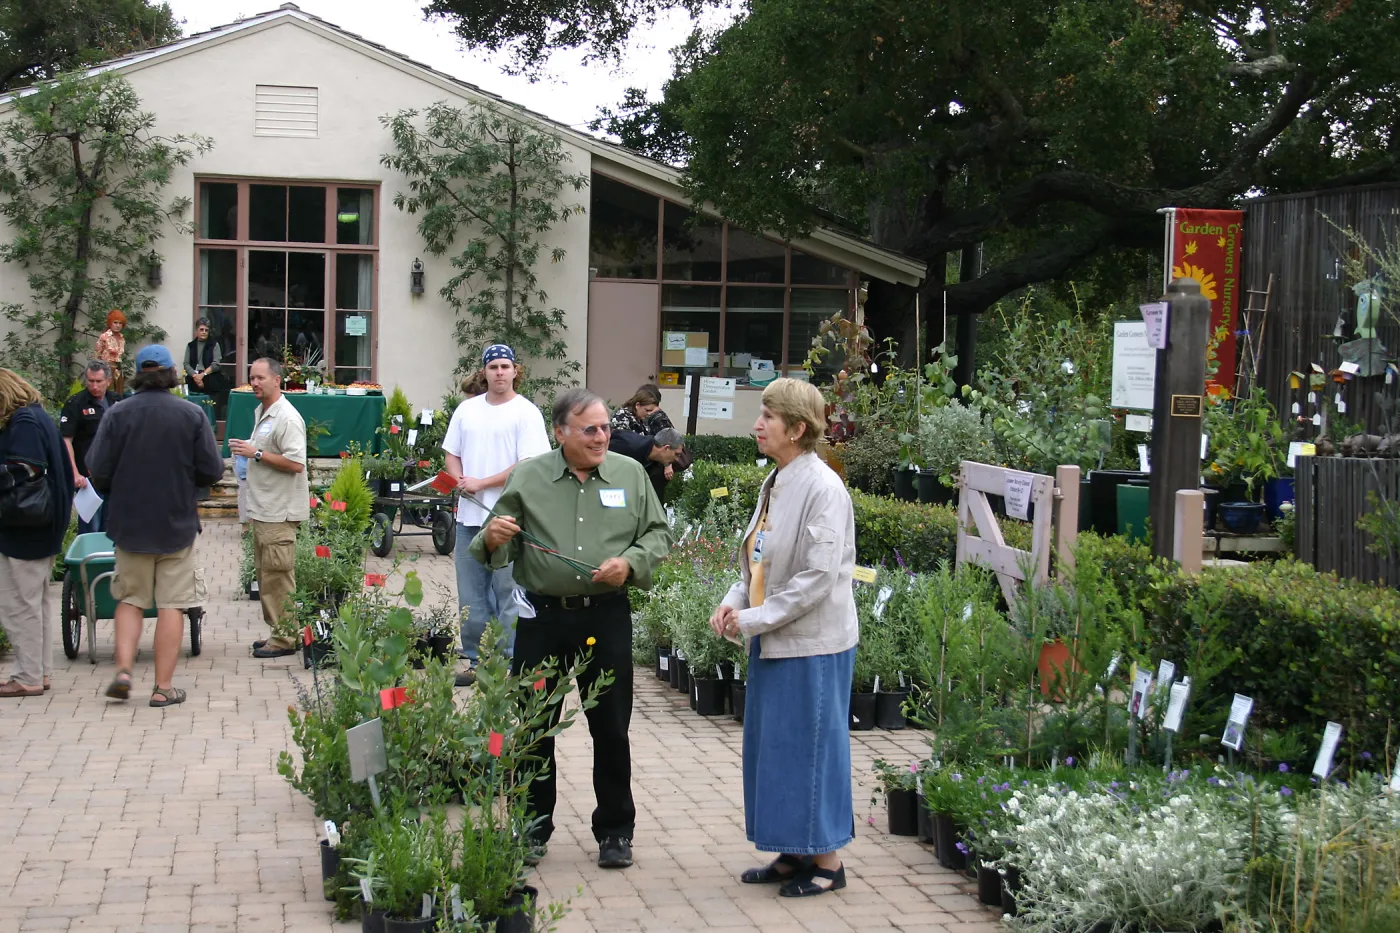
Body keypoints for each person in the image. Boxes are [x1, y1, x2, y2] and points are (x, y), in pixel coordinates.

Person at [470, 388, 670, 869]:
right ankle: (533, 828)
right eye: (591, 429)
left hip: (605, 617)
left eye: (605, 428)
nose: (603, 436)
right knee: (536, 726)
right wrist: (493, 538)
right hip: (543, 620)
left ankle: (616, 830)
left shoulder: (630, 475)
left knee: (610, 726)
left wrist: (630, 561)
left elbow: (658, 534)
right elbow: (493, 542)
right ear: (561, 432)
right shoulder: (529, 477)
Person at [707, 378, 858, 898]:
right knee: (776, 750)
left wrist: (752, 619)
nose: (756, 425)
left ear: (797, 429)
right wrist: (733, 600)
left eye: (767, 417)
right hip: (775, 639)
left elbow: (816, 581)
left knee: (811, 750)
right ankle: (794, 853)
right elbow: (758, 559)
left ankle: (829, 863)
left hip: (812, 645)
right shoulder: (777, 480)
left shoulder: (823, 488)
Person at [85, 345, 223, 708]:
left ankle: (125, 672)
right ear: (171, 373)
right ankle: (163, 688)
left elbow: (97, 468)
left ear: (137, 373)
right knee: (172, 606)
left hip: (130, 523)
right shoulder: (191, 414)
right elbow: (212, 470)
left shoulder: (117, 414)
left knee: (129, 600)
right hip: (176, 523)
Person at [442, 344, 550, 686]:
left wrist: (482, 482)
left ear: (516, 370)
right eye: (493, 367)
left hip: (510, 519)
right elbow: (451, 452)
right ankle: (476, 659)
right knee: (471, 594)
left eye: (505, 366)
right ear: (484, 372)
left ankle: (507, 661)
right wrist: (459, 479)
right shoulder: (467, 411)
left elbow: (529, 464)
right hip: (468, 519)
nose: (499, 372)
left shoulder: (526, 413)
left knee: (508, 594)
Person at [0, 369, 73, 697]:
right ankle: (38, 672)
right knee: (35, 601)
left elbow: (24, 468)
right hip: (42, 524)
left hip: (24, 527)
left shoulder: (23, 423)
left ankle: (28, 675)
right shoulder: (38, 417)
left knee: (17, 602)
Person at [230, 357, 309, 659]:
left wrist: (257, 453)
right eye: (252, 377)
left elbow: (296, 463)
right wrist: (249, 452)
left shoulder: (287, 417)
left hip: (279, 511)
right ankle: (278, 632)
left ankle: (286, 638)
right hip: (264, 509)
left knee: (278, 576)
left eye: (261, 377)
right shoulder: (264, 412)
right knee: (266, 577)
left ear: (278, 380)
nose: (255, 383)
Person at [59, 360, 122, 533]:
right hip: (87, 480)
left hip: (112, 476)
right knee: (90, 529)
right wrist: (75, 473)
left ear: (108, 381)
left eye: (98, 381)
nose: (94, 386)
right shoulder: (76, 403)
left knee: (111, 529)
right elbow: (66, 441)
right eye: (90, 381)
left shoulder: (116, 401)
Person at [609, 425, 685, 503]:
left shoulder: (657, 462)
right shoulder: (630, 446)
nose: (677, 459)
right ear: (666, 448)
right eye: (676, 454)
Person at [184, 317, 230, 418]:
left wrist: (202, 375)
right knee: (193, 412)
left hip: (211, 382)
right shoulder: (190, 346)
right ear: (196, 331)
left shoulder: (214, 345)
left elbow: (216, 364)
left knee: (209, 412)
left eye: (206, 330)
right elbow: (186, 364)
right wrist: (195, 376)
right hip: (193, 382)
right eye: (201, 330)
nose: (204, 332)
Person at [94, 310, 127, 394]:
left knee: (119, 393)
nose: (118, 325)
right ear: (110, 323)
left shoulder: (122, 338)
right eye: (115, 322)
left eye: (120, 323)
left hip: (118, 369)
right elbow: (97, 355)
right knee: (108, 393)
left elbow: (120, 356)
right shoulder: (104, 337)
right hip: (106, 368)